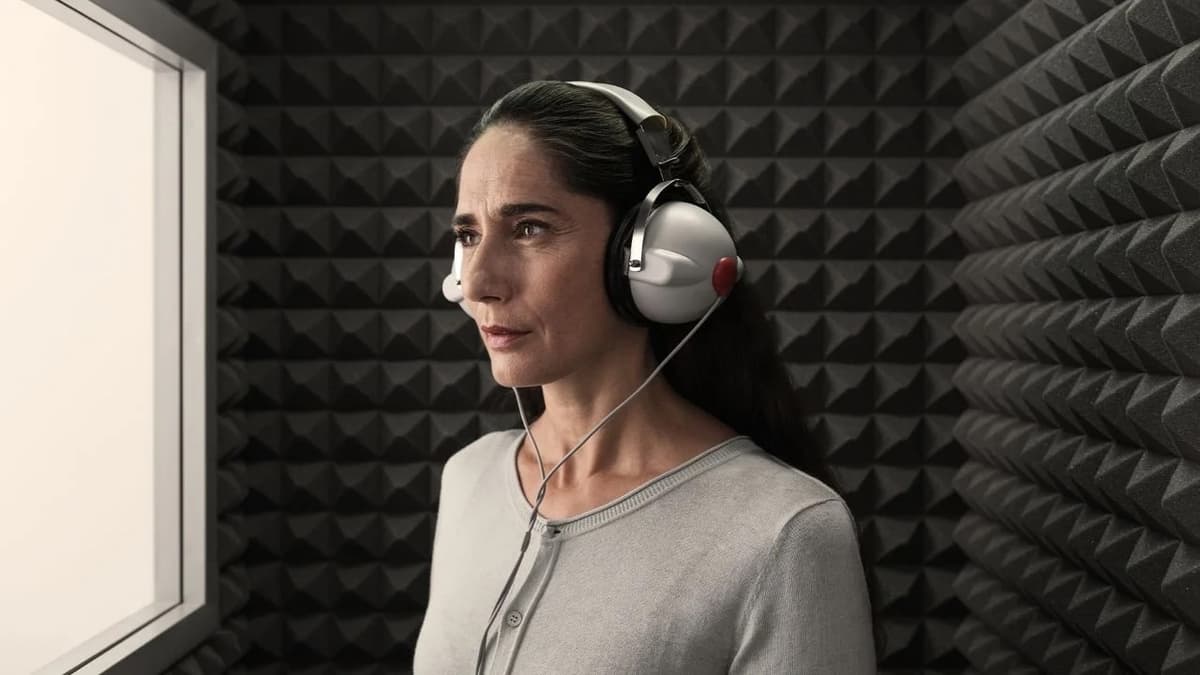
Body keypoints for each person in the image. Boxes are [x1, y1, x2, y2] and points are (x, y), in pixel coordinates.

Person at [412, 80, 879, 674]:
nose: (475, 283)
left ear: (651, 252)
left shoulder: (785, 533)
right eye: (468, 235)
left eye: (528, 228)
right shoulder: (469, 478)